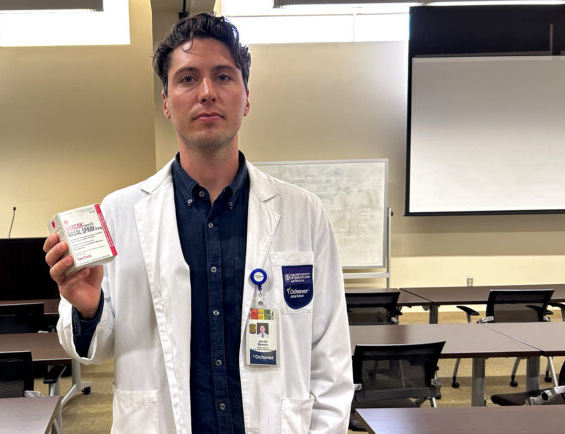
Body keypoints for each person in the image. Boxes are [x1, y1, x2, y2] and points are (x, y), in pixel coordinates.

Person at [44, 12, 352, 433]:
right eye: (188, 78)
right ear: (167, 103)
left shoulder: (305, 214)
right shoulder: (119, 212)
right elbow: (95, 350)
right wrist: (87, 309)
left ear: (246, 97)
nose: (207, 92)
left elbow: (331, 359)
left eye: (223, 77)